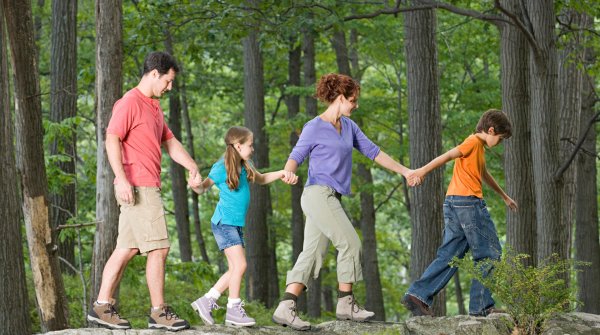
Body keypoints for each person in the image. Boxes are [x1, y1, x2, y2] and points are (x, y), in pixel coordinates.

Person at [271, 73, 418, 330]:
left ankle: (286, 306)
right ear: (340, 98)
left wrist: (405, 171)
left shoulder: (349, 127)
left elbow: (374, 152)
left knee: (312, 253)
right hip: (317, 194)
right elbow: (295, 156)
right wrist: (289, 171)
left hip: (331, 197)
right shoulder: (314, 126)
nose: (355, 105)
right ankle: (345, 302)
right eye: (353, 100)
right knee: (351, 243)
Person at [87, 51, 200, 331]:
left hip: (144, 184)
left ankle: (101, 307)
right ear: (153, 74)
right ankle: (158, 312)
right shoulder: (129, 102)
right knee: (159, 248)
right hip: (139, 186)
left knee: (126, 249)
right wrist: (122, 179)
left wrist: (192, 167)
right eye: (168, 81)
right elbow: (112, 138)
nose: (169, 87)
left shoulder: (153, 107)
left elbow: (170, 142)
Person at [402, 109, 518, 318]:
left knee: (450, 255)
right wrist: (421, 171)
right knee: (490, 252)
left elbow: (483, 173)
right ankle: (481, 306)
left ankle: (417, 295)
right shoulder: (473, 142)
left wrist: (504, 196)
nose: (500, 143)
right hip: (469, 204)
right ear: (491, 130)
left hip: (454, 202)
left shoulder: (478, 148)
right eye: (500, 139)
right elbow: (448, 155)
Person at [190, 126, 297, 327]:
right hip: (224, 224)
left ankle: (207, 301)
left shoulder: (246, 164)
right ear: (238, 146)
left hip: (235, 225)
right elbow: (202, 188)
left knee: (234, 269)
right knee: (241, 265)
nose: (253, 149)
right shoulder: (221, 167)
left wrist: (283, 173)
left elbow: (263, 178)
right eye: (250, 145)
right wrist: (195, 184)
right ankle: (233, 309)